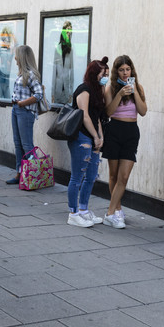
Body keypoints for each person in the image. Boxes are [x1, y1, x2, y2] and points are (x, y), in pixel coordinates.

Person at [102, 55, 147, 228]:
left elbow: (143, 111)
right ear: (116, 71)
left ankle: (110, 212)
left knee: (124, 176)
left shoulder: (139, 88)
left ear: (132, 70)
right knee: (113, 175)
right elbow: (108, 112)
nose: (125, 73)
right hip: (114, 131)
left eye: (127, 69)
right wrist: (120, 94)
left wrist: (134, 90)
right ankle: (116, 210)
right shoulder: (111, 89)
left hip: (131, 132)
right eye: (121, 70)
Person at [66, 57, 109, 227]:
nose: (105, 76)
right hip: (81, 137)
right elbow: (84, 116)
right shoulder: (84, 90)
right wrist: (96, 136)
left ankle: (84, 210)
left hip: (93, 137)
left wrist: (100, 137)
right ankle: (73, 213)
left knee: (91, 176)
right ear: (94, 73)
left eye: (107, 73)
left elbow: (97, 116)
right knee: (77, 176)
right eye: (103, 73)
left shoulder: (98, 91)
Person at [6, 45, 43, 185]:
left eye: (17, 55)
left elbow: (38, 94)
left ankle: (36, 176)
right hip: (16, 110)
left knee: (27, 144)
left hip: (25, 111)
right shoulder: (21, 74)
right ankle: (20, 174)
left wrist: (22, 103)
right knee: (18, 144)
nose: (15, 58)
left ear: (22, 57)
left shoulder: (31, 75)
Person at [52, 21, 74, 104]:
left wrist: (71, 93)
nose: (69, 33)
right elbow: (54, 71)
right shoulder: (57, 48)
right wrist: (52, 93)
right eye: (67, 30)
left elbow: (72, 71)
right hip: (57, 89)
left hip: (66, 91)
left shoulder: (71, 50)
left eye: (70, 31)